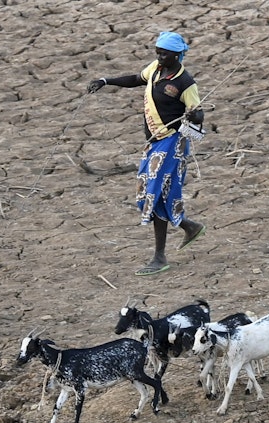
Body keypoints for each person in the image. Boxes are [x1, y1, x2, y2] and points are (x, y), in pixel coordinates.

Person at [86, 31, 207, 275]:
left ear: (178, 55)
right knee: (148, 193)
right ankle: (188, 226)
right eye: (158, 52)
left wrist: (195, 115)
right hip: (154, 143)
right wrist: (106, 80)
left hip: (172, 143)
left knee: (155, 194)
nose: (160, 56)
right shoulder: (155, 69)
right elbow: (135, 79)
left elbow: (199, 114)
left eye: (165, 53)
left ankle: (160, 257)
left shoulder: (185, 83)